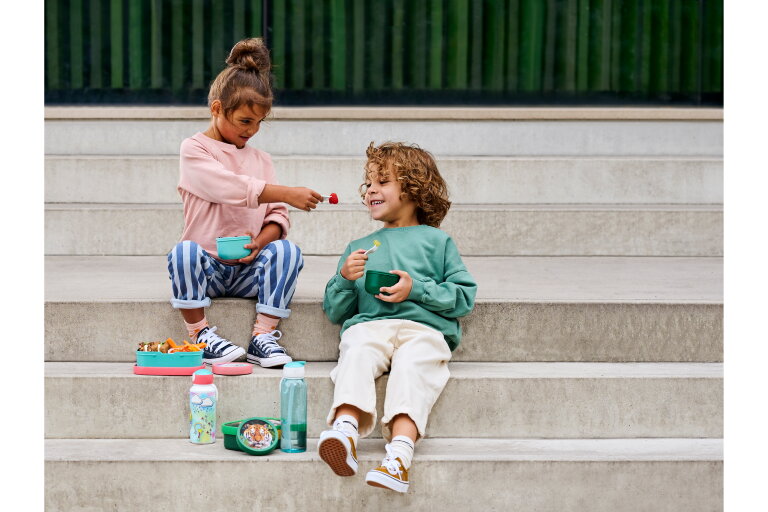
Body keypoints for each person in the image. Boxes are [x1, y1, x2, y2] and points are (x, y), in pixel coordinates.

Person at [318, 142, 477, 493]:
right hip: (371, 326)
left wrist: (416, 289)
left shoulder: (438, 242)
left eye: (384, 181)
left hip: (424, 329)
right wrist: (345, 278)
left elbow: (463, 297)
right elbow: (335, 310)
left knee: (413, 367)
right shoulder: (359, 247)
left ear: (414, 188)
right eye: (370, 183)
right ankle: (344, 432)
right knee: (356, 349)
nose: (372, 189)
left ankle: (399, 456)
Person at [166, 38, 322, 367]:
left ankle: (262, 336)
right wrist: (287, 191)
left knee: (287, 251)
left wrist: (260, 242)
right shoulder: (194, 150)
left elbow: (277, 215)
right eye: (244, 121)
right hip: (207, 268)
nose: (252, 131)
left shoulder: (261, 159)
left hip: (250, 269)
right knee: (182, 253)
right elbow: (227, 187)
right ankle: (200, 334)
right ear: (217, 109)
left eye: (259, 123)